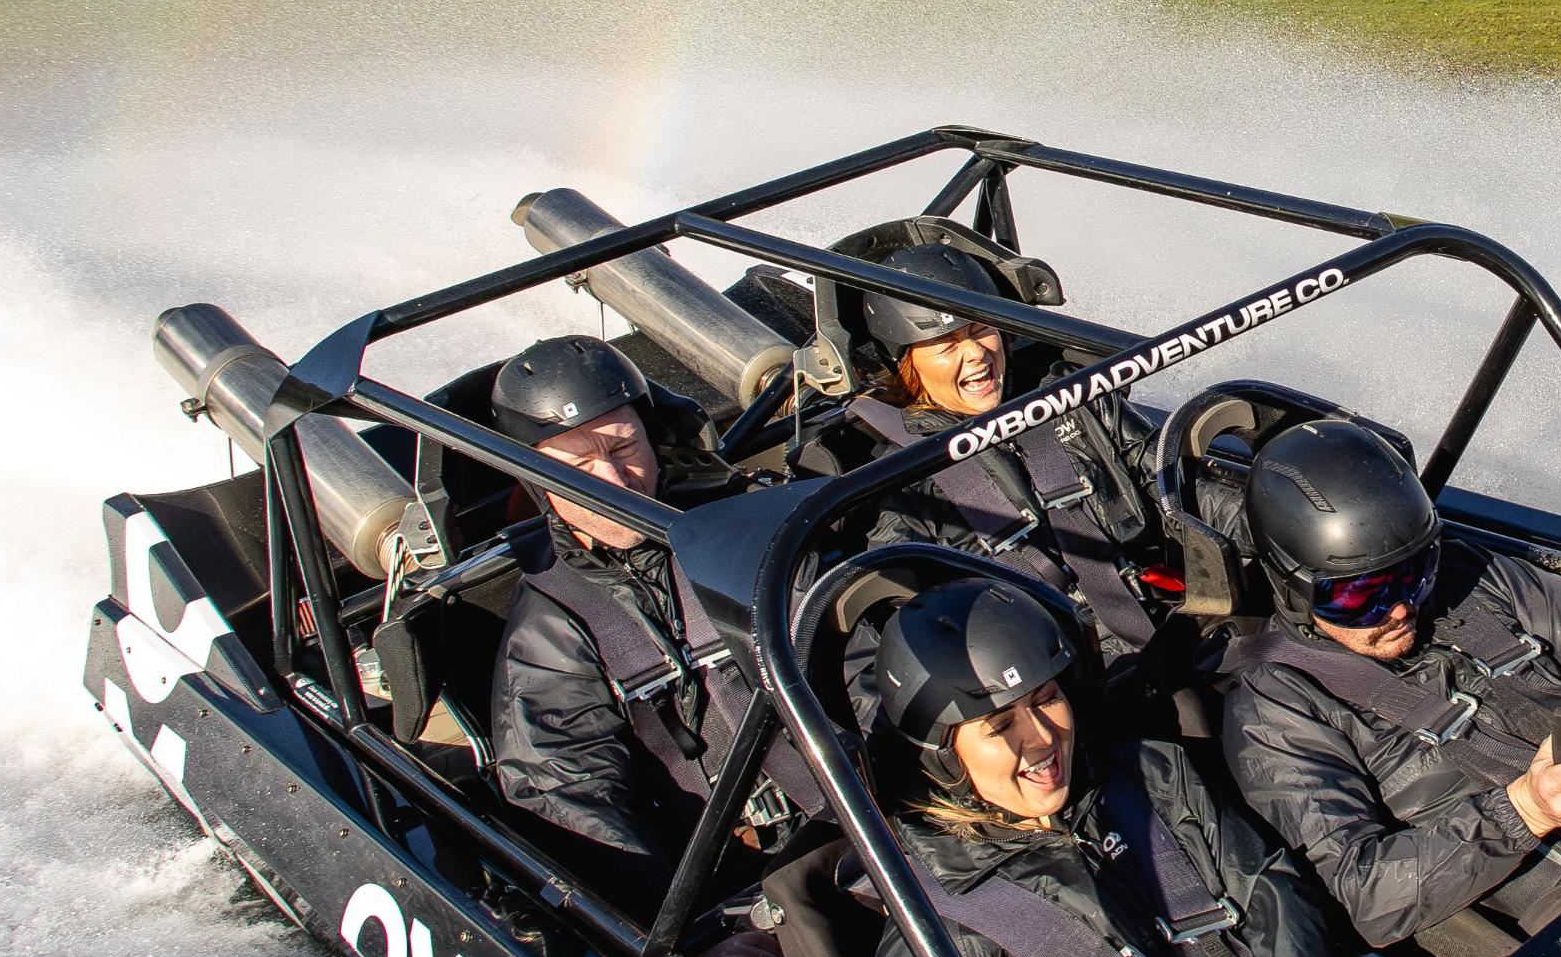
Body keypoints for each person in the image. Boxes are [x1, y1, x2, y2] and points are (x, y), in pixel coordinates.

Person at [840, 574, 1358, 957]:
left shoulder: (1155, 778)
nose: (1041, 737)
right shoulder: (940, 936)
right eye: (999, 726)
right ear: (943, 757)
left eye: (1046, 698)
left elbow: (1271, 896)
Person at [1219, 415, 1561, 957]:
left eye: (1413, 571)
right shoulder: (1274, 707)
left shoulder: (1466, 574)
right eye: (1357, 595)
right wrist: (1523, 811)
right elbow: (1363, 892)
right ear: (1290, 585)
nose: (1399, 608)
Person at [478, 334, 761, 895]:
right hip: (743, 882)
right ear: (537, 481)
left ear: (655, 441)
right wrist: (683, 936)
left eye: (624, 447)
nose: (613, 481)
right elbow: (565, 789)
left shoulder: (742, 531)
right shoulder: (553, 624)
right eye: (579, 464)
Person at [817, 217, 1169, 663]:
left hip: (1159, 631)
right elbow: (909, 633)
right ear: (906, 363)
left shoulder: (1073, 401)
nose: (977, 354)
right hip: (1035, 684)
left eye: (981, 329)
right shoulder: (899, 484)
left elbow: (1172, 477)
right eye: (946, 344)